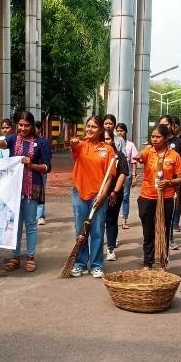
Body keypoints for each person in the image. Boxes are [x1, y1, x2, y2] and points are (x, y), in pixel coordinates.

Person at [0, 111, 52, 271]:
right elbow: (1, 143)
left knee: (31, 223)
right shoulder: (12, 139)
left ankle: (30, 257)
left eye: (26, 125)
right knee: (15, 223)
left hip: (31, 188)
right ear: (16, 125)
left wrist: (31, 164)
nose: (23, 128)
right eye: (20, 125)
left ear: (32, 126)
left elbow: (47, 167)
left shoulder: (42, 142)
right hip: (14, 188)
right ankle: (15, 256)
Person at [68, 115, 116, 278]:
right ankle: (80, 263)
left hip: (98, 195)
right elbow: (74, 147)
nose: (89, 129)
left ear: (101, 130)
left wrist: (103, 195)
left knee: (96, 231)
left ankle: (96, 265)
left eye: (93, 127)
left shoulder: (108, 150)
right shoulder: (80, 145)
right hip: (80, 193)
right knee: (81, 230)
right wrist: (73, 143)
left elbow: (110, 176)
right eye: (87, 126)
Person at [134, 124, 181, 269]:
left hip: (167, 198)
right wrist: (138, 156)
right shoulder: (149, 151)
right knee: (148, 231)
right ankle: (147, 263)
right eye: (153, 136)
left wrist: (169, 182)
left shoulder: (174, 156)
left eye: (158, 137)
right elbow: (140, 155)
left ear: (166, 138)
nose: (155, 139)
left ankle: (163, 262)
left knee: (164, 230)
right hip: (147, 197)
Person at [159, 114, 181, 250]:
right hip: (157, 184)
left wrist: (177, 182)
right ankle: (156, 240)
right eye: (161, 125)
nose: (164, 127)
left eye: (166, 125)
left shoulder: (178, 142)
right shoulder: (156, 140)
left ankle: (169, 238)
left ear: (172, 125)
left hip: (172, 183)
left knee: (169, 211)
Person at [103, 129, 129, 262]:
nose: (105, 142)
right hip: (97, 193)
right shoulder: (96, 154)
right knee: (98, 222)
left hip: (113, 194)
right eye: (103, 139)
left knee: (111, 220)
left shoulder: (119, 156)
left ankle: (111, 248)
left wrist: (115, 191)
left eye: (107, 139)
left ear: (113, 140)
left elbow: (123, 174)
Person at [114, 122, 138, 229]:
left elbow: (133, 161)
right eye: (118, 131)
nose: (119, 133)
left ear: (125, 132)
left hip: (126, 174)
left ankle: (124, 220)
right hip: (114, 173)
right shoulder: (112, 143)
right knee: (113, 196)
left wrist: (134, 175)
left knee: (125, 197)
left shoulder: (130, 145)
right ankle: (113, 219)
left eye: (121, 131)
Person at [35, 120, 48, 225]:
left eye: (35, 127)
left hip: (40, 171)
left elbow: (47, 159)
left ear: (39, 129)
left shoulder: (43, 141)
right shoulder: (27, 141)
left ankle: (40, 216)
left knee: (40, 192)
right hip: (29, 171)